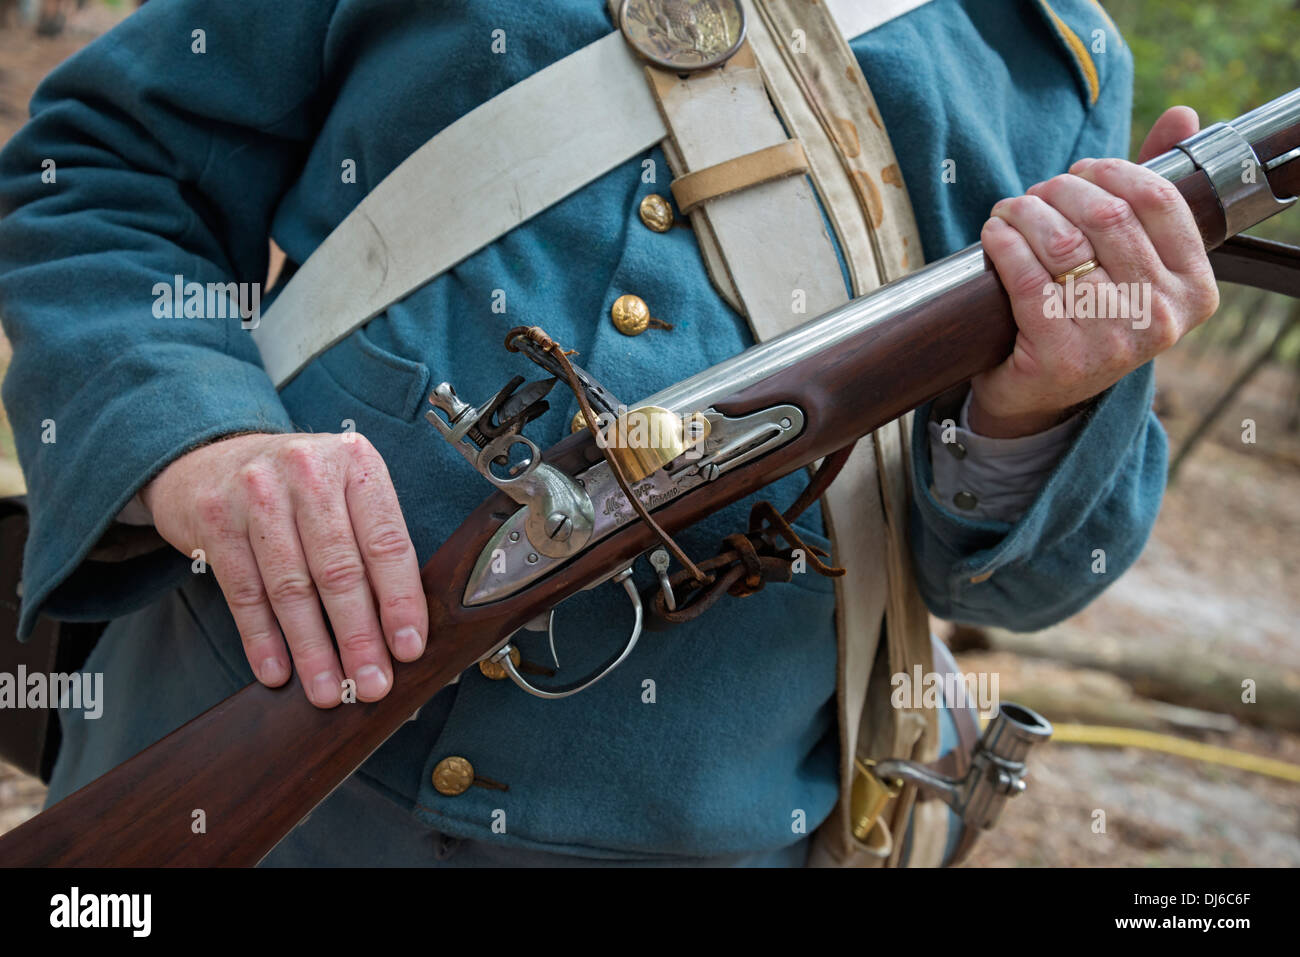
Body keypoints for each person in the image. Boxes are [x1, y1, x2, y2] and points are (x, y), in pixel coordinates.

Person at [0, 0, 1216, 866]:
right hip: (209, 738)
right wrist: (194, 443)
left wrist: (1039, 409)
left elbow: (1035, 583)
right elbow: (99, 177)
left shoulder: (1049, 59)